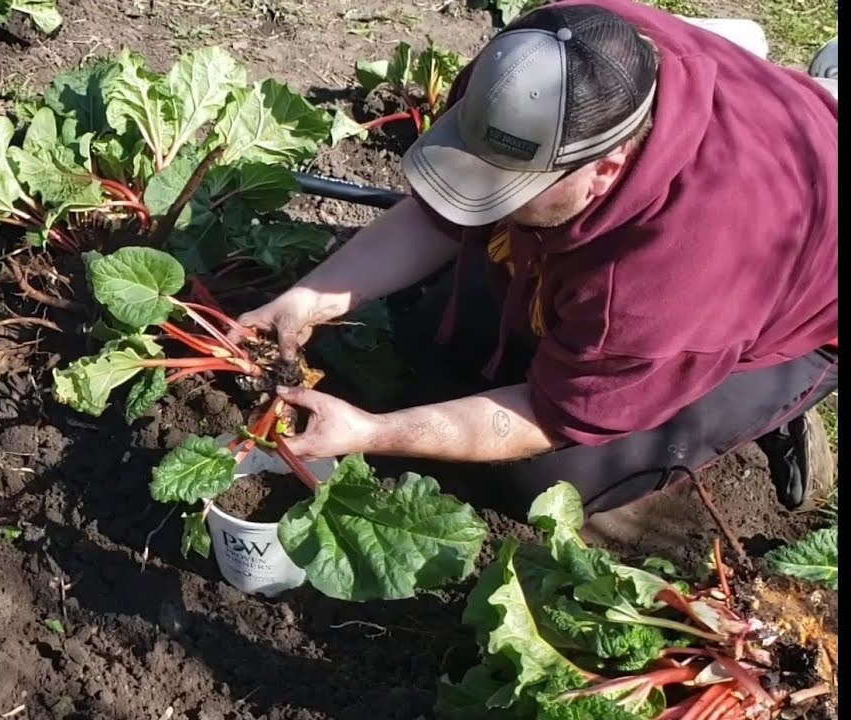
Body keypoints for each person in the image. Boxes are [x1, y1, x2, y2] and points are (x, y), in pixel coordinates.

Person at [234, 0, 839, 518]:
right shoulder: (543, 53)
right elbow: (440, 214)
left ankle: (777, 402)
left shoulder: (672, 279)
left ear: (603, 170)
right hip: (770, 132)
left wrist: (372, 433)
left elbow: (553, 415)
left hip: (792, 303)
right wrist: (307, 299)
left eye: (508, 188)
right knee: (428, 342)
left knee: (540, 484)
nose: (483, 200)